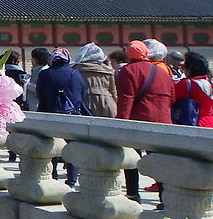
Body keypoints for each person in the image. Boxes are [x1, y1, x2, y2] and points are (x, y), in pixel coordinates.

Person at [116, 40, 174, 205]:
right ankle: (164, 198)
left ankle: (133, 194)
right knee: (159, 159)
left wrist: (121, 122)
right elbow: (172, 96)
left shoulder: (127, 70)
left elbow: (126, 99)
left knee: (132, 158)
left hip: (138, 120)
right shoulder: (162, 70)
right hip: (163, 120)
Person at [36, 48, 90, 187]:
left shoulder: (44, 74)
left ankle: (52, 175)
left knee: (52, 146)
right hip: (72, 116)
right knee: (72, 147)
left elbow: (39, 94)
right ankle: (71, 180)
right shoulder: (76, 74)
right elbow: (82, 96)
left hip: (50, 115)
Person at [73, 43, 117, 118]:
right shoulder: (108, 70)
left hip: (85, 102)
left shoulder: (76, 70)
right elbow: (113, 92)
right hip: (106, 102)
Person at [173, 51, 213, 128]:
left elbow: (171, 100)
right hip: (209, 123)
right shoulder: (209, 84)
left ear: (189, 69)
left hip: (193, 122)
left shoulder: (186, 84)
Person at [23, 47, 51, 113]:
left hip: (37, 105)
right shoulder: (37, 69)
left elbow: (40, 88)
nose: (31, 60)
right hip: (32, 104)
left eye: (32, 58)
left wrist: (26, 83)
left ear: (37, 59)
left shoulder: (43, 71)